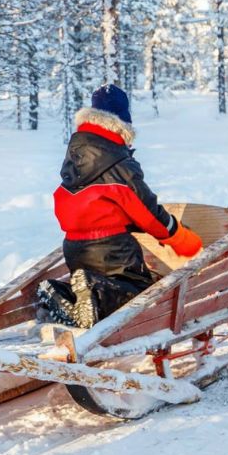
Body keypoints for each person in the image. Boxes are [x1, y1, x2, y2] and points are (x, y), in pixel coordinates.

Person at [35, 84, 203, 328]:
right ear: (122, 122)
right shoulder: (118, 161)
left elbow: (92, 203)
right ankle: (92, 290)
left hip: (74, 248)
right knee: (140, 293)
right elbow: (148, 212)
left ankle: (62, 290)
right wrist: (177, 237)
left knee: (96, 294)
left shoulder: (76, 154)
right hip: (112, 250)